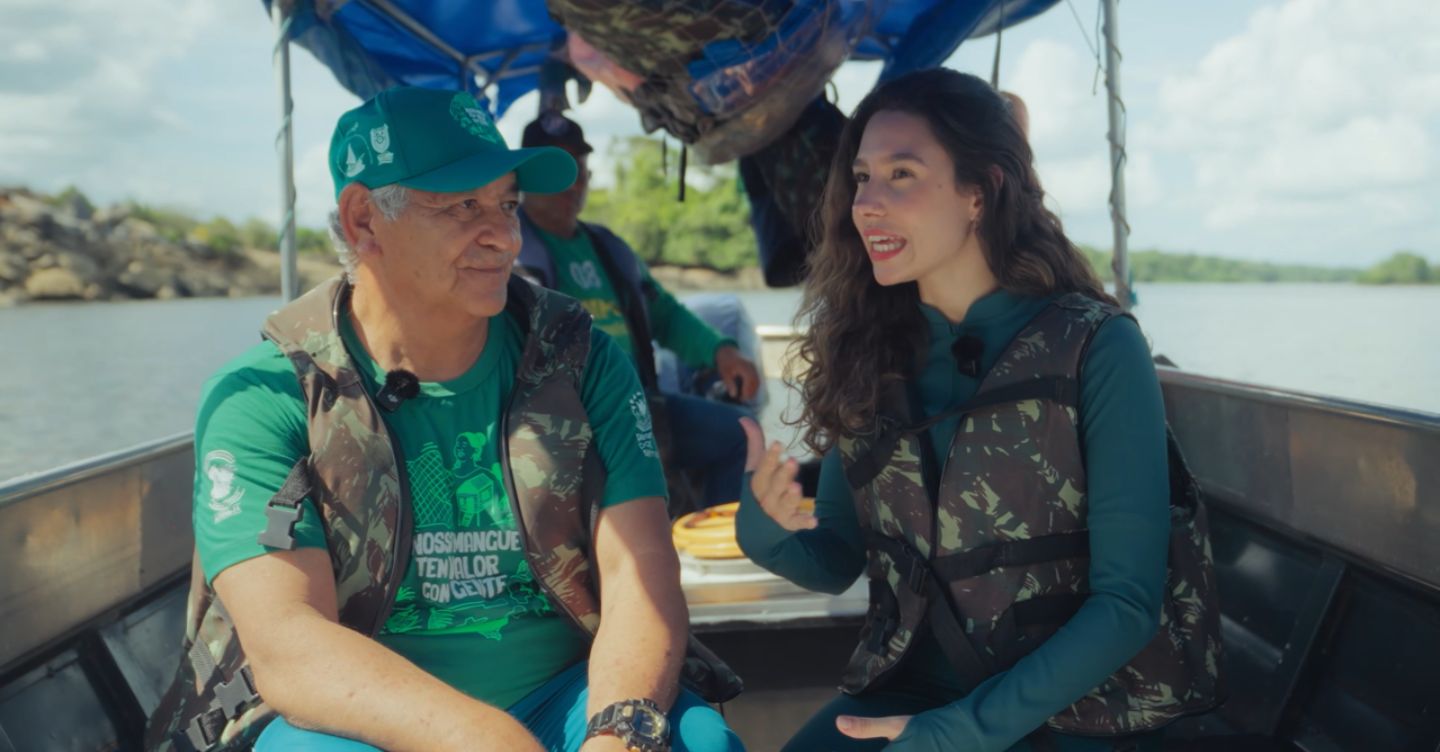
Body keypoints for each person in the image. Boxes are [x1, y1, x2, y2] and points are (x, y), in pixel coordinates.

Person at [144, 86, 743, 752]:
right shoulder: (268, 395)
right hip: (364, 716)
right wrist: (490, 741)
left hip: (565, 692)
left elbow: (642, 578)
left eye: (508, 203)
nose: (505, 235)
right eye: (463, 206)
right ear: (364, 221)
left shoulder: (579, 361)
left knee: (699, 743)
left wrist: (619, 735)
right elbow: (291, 647)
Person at [736, 69, 1222, 751]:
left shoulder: (1096, 346)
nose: (867, 203)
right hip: (915, 690)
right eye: (863, 176)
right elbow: (838, 557)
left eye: (901, 174)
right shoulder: (869, 351)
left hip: (1081, 706)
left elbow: (1128, 606)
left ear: (980, 191)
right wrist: (764, 529)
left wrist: (960, 732)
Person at [515, 111, 761, 510]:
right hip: (562, 417)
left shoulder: (608, 248)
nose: (573, 181)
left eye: (579, 167)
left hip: (637, 402)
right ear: (524, 176)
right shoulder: (505, 251)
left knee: (739, 435)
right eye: (555, 167)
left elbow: (663, 313)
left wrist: (722, 352)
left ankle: (715, 549)